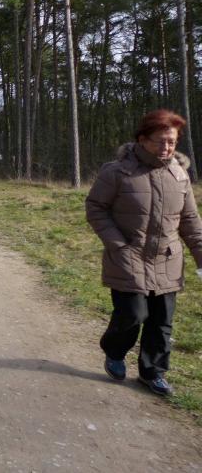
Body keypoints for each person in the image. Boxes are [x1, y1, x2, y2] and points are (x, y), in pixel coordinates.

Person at [86, 109, 202, 396]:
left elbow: (190, 220)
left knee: (162, 322)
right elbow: (96, 208)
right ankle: (114, 351)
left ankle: (153, 372)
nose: (166, 147)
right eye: (160, 141)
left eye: (172, 142)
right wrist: (117, 244)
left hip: (167, 259)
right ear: (142, 140)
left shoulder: (179, 175)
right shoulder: (117, 172)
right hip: (128, 256)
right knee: (133, 314)